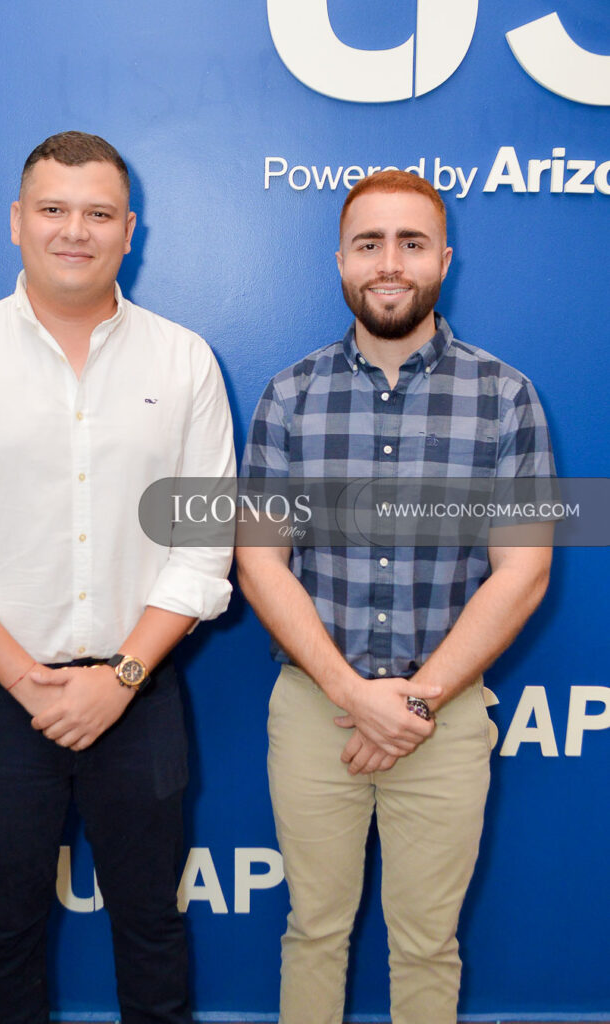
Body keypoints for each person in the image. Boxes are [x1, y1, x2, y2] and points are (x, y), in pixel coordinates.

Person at [0, 131, 235, 1024]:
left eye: (97, 213)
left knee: (152, 924)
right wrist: (30, 681)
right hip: (1, 698)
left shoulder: (181, 359)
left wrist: (117, 681)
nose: (72, 230)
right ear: (16, 222)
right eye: (52, 209)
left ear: (129, 231)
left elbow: (203, 547)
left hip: (139, 693)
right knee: (4, 927)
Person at [236, 170, 554, 1024]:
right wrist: (351, 694)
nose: (389, 262)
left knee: (425, 944)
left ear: (442, 259)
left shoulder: (504, 397)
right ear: (340, 260)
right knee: (312, 931)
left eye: (410, 243)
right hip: (313, 710)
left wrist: (412, 701)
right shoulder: (289, 396)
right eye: (368, 243)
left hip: (442, 716)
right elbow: (258, 562)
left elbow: (522, 570)